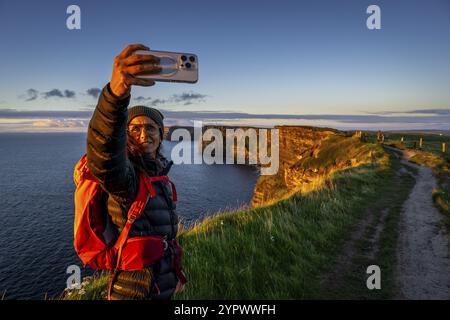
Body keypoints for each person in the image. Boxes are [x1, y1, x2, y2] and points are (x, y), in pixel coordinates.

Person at [86, 44, 185, 300]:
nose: (144, 134)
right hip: (132, 292)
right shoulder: (125, 178)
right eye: (134, 128)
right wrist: (115, 94)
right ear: (125, 135)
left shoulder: (160, 174)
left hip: (161, 287)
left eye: (151, 128)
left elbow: (166, 236)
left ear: (161, 134)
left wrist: (174, 275)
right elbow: (105, 154)